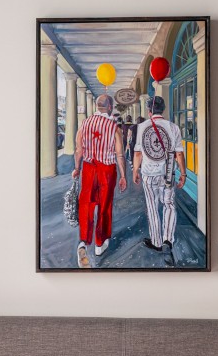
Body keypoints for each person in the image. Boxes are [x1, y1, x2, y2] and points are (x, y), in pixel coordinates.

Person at [72, 93, 126, 267]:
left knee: (86, 203)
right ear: (110, 107)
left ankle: (83, 241)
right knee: (104, 205)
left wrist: (77, 168)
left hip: (88, 167)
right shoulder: (113, 126)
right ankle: (99, 244)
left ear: (97, 106)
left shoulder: (84, 124)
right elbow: (119, 153)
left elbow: (78, 149)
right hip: (107, 170)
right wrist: (123, 175)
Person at [131, 95, 185, 253]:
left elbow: (138, 153)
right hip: (168, 173)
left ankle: (156, 241)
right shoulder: (173, 127)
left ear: (149, 111)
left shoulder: (142, 127)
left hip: (149, 174)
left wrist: (135, 170)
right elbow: (179, 154)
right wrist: (183, 173)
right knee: (169, 205)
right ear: (163, 110)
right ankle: (168, 239)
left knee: (152, 207)